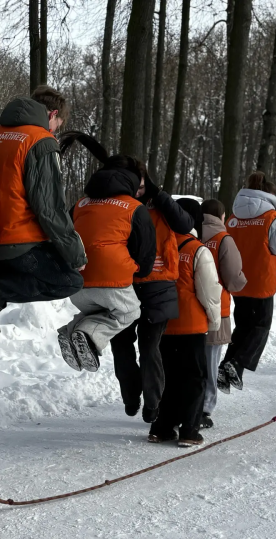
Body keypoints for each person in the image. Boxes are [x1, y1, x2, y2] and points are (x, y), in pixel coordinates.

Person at [0, 85, 86, 337]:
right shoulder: (41, 141)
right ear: (53, 114)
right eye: (58, 124)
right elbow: (49, 208)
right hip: (18, 242)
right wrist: (75, 255)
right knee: (70, 281)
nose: (55, 129)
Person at [56, 133, 156, 371]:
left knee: (99, 311)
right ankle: (87, 336)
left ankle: (70, 333)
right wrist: (139, 269)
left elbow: (64, 232)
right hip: (112, 279)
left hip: (78, 282)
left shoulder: (81, 204)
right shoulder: (134, 208)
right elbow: (146, 253)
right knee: (129, 312)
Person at [110, 167, 195, 422]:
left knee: (149, 347)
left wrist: (160, 196)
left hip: (158, 284)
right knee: (120, 345)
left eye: (142, 185)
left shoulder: (161, 204)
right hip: (123, 283)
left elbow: (186, 224)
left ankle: (152, 403)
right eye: (134, 185)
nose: (138, 191)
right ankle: (131, 395)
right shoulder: (117, 203)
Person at [149, 198, 221, 447]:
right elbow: (209, 291)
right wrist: (214, 320)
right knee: (194, 377)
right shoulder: (197, 250)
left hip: (162, 323)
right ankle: (189, 430)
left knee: (168, 377)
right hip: (191, 324)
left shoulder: (157, 245)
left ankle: (162, 427)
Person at [219, 172, 276, 392]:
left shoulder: (233, 218)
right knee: (260, 326)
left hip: (238, 279)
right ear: (269, 195)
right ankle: (236, 364)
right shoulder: (272, 217)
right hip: (261, 280)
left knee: (243, 327)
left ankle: (226, 366)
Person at [200, 199, 247, 428]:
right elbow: (233, 278)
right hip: (217, 308)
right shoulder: (223, 239)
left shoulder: (191, 235)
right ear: (221, 217)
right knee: (211, 360)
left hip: (191, 308)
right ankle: (205, 407)